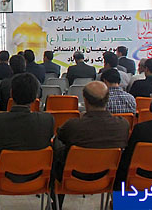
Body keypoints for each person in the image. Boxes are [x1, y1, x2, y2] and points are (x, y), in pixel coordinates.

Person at [0, 73, 55, 210]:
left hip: (3, 179)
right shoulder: (47, 120)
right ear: (36, 96)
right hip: (38, 177)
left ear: (11, 93)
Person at [54, 81, 130, 209]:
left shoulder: (73, 126)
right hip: (107, 178)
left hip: (72, 178)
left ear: (85, 100)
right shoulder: (123, 125)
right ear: (107, 100)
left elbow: (60, 136)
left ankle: (56, 204)